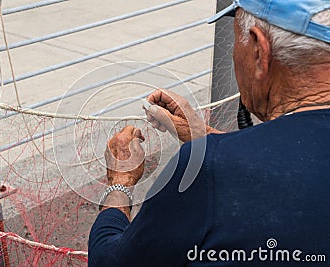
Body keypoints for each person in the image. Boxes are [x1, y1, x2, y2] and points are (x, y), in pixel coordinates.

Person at [88, 0, 330, 266]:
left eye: (236, 40)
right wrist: (202, 134)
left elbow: (110, 261)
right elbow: (295, 159)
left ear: (260, 51)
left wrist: (120, 182)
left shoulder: (211, 170)